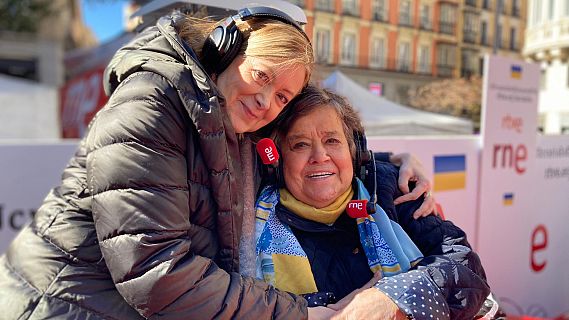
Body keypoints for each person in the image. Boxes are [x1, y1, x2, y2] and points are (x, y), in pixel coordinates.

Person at [0, 6, 435, 320]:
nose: (267, 101)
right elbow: (158, 275)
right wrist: (299, 315)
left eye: (282, 96)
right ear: (226, 52)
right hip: (57, 304)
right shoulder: (150, 105)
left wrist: (383, 164)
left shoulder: (237, 122)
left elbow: (308, 151)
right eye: (261, 76)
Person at [254, 85, 491, 320]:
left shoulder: (392, 187)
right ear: (278, 159)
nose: (320, 156)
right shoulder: (251, 218)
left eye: (332, 141)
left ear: (354, 152)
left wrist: (394, 297)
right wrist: (324, 308)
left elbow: (465, 266)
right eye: (300, 145)